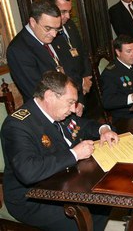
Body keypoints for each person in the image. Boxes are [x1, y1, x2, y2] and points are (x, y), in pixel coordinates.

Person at [1, 71, 119, 231]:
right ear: (49, 96)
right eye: (70, 102)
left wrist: (103, 129)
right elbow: (27, 171)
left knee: (104, 200)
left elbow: (84, 125)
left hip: (63, 181)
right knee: (87, 213)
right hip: (31, 198)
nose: (73, 109)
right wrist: (75, 153)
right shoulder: (18, 125)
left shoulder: (59, 113)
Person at [42, 0, 92, 117]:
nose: (68, 16)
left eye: (69, 11)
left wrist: (87, 76)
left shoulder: (70, 25)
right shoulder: (47, 35)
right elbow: (63, 69)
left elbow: (82, 51)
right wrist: (80, 86)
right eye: (63, 12)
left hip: (83, 93)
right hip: (65, 98)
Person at [6, 0, 63, 103]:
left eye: (57, 29)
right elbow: (36, 92)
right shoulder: (18, 50)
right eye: (48, 28)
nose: (54, 34)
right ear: (33, 22)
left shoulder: (49, 36)